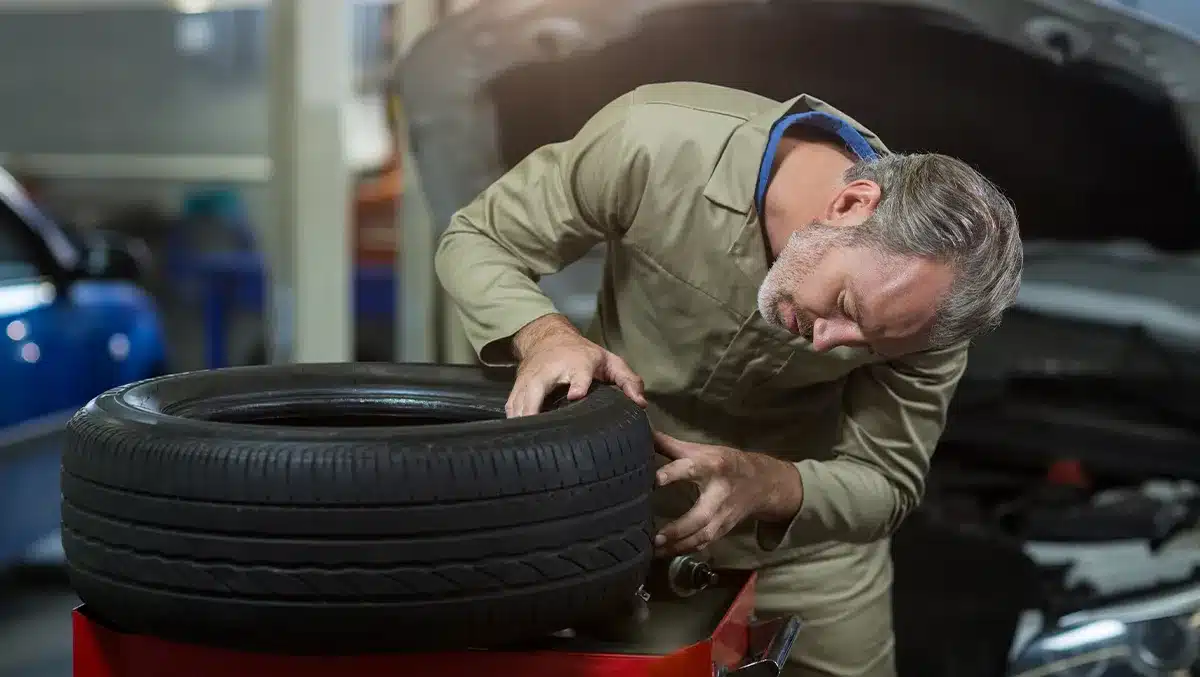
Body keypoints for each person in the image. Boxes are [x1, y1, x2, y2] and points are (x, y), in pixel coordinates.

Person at [434, 81, 1023, 677]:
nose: (829, 343)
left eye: (866, 347)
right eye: (845, 303)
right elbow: (480, 238)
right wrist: (545, 335)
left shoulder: (929, 314)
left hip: (806, 560)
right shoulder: (657, 141)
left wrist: (768, 483)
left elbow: (886, 483)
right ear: (851, 205)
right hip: (608, 518)